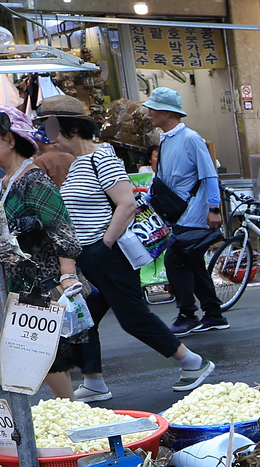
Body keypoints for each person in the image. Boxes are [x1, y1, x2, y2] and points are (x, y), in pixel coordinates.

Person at [34, 95, 215, 398]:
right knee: (84, 317)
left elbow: (126, 203)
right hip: (91, 256)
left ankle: (192, 362)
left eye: (49, 127)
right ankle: (93, 381)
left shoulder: (101, 157)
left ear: (67, 128)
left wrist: (104, 245)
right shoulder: (79, 162)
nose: (47, 135)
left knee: (133, 317)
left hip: (108, 254)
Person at [0, 106, 82, 398]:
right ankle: (69, 413)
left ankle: (73, 415)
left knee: (43, 356)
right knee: (36, 355)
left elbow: (61, 226)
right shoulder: (3, 183)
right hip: (22, 282)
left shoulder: (32, 178)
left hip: (44, 281)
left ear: (10, 140)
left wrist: (68, 275)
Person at [140, 87, 228, 336]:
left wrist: (213, 208)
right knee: (193, 262)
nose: (149, 112)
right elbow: (164, 179)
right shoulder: (166, 138)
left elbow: (210, 174)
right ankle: (213, 314)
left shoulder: (190, 138)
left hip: (193, 214)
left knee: (175, 259)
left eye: (153, 108)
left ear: (167, 112)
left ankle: (187, 314)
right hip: (179, 213)